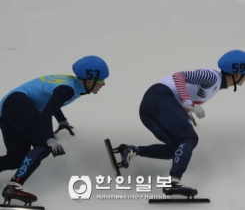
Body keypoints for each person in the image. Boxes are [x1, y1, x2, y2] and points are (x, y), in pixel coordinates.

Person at [119, 50, 245, 195]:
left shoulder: (216, 83)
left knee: (177, 148)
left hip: (149, 108)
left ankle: (132, 150)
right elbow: (179, 76)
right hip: (159, 96)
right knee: (190, 138)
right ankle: (174, 182)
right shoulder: (212, 76)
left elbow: (183, 91)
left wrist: (185, 111)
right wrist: (188, 103)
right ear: (237, 74)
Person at [0, 55, 109, 203]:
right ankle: (14, 185)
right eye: (101, 82)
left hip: (9, 105)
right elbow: (46, 113)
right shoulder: (68, 89)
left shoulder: (72, 84)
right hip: (18, 103)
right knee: (44, 145)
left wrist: (62, 120)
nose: (103, 85)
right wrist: (50, 140)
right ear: (89, 81)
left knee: (16, 159)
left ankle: (14, 184)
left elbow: (51, 102)